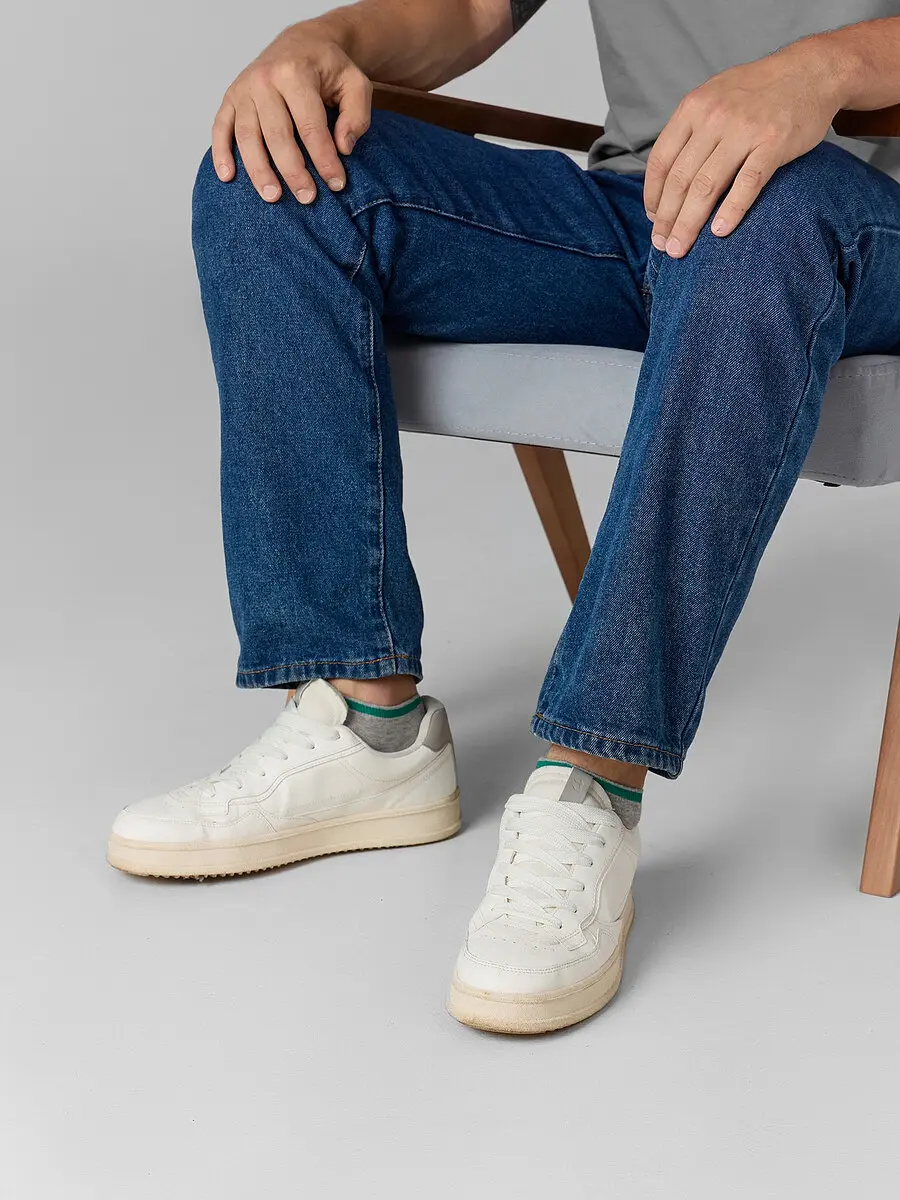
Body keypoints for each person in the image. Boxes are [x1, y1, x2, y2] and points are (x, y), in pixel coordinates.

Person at [108, 0, 900, 1033]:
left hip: (852, 216)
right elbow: (470, 8)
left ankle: (592, 783)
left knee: (766, 205)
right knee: (272, 175)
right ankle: (366, 722)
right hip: (640, 209)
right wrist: (327, 44)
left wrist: (824, 71)